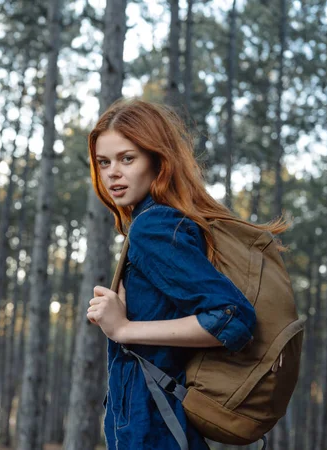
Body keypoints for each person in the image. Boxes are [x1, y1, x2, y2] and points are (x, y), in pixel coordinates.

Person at [85, 99, 288, 449]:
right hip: (160, 425)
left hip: (156, 430)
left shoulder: (154, 226)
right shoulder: (160, 222)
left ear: (157, 160)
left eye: (127, 158)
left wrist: (124, 328)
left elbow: (233, 318)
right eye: (104, 162)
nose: (112, 173)